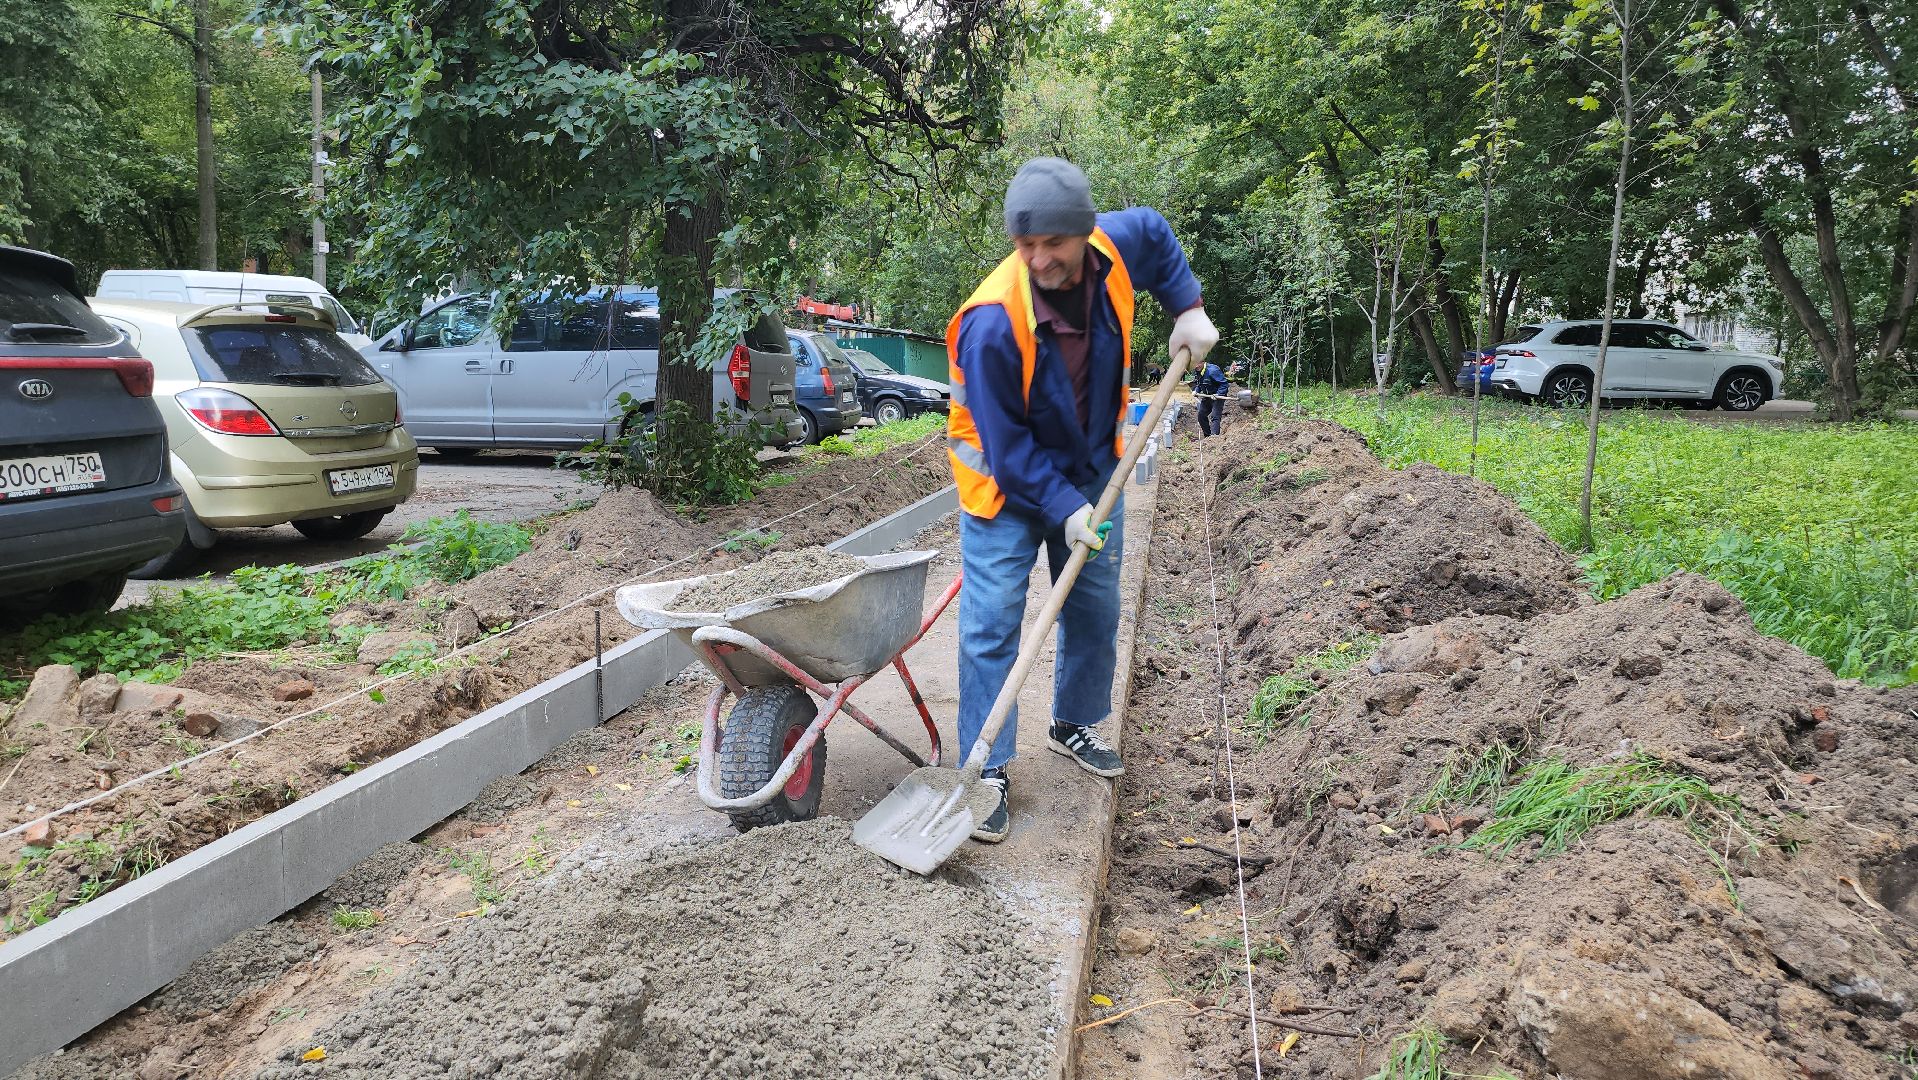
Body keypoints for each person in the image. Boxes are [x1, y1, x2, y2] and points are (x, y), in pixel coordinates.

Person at [946, 157, 1217, 843]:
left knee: (1095, 604)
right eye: (1025, 244)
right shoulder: (991, 323)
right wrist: (1063, 508)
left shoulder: (1114, 248)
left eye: (1053, 243)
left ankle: (1072, 722)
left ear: (1085, 233)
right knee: (990, 624)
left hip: (1093, 464)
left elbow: (1154, 232)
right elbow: (1007, 450)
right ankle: (986, 768)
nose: (1039, 258)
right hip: (1005, 486)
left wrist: (1187, 306)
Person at [1192, 358, 1229, 437]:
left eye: (1198, 363)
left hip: (1218, 396)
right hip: (1208, 396)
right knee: (1201, 415)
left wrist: (1218, 394)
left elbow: (1224, 384)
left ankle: (1214, 437)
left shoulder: (1213, 371)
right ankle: (1208, 437)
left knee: (1215, 416)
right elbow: (1199, 384)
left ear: (1203, 362)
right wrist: (1196, 390)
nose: (1196, 366)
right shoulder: (1198, 371)